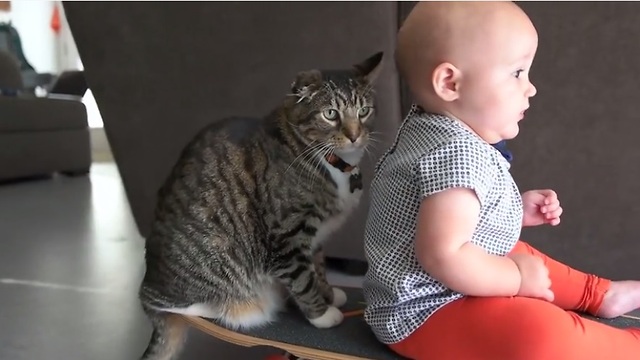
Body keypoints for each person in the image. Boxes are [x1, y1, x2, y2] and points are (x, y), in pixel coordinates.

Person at [362, 2, 640, 359]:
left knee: (514, 250)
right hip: (424, 312)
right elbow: (443, 255)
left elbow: (450, 216)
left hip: (434, 289)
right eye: (517, 73)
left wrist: (512, 210)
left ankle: (600, 294)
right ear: (451, 82)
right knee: (538, 333)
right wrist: (517, 280)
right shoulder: (456, 154)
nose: (531, 88)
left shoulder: (428, 128)